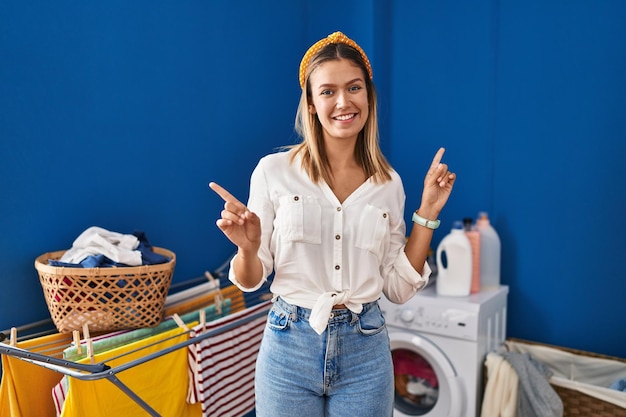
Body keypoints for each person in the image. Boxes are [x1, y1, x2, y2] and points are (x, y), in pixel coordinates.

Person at [209, 31, 456, 417]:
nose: (343, 102)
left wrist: (427, 212)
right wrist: (247, 247)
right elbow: (252, 278)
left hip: (366, 349)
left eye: (354, 87)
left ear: (368, 96)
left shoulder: (388, 183)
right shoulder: (274, 172)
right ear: (310, 103)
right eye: (327, 91)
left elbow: (397, 287)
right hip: (288, 347)